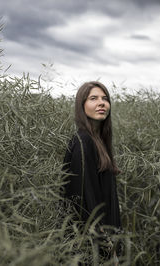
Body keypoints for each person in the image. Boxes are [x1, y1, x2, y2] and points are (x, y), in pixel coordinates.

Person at [63, 81, 122, 261]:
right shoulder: (83, 142)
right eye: (93, 98)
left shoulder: (98, 141)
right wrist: (107, 249)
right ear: (82, 106)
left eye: (105, 99)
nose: (101, 103)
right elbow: (85, 202)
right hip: (91, 248)